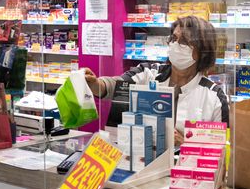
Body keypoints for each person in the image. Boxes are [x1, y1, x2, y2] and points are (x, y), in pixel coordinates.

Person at [84, 16, 229, 145]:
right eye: (173, 39)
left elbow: (221, 150)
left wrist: (184, 143)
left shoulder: (215, 97)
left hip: (189, 169)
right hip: (143, 162)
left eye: (184, 41)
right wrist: (96, 84)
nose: (175, 45)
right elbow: (116, 85)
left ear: (203, 51)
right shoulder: (149, 72)